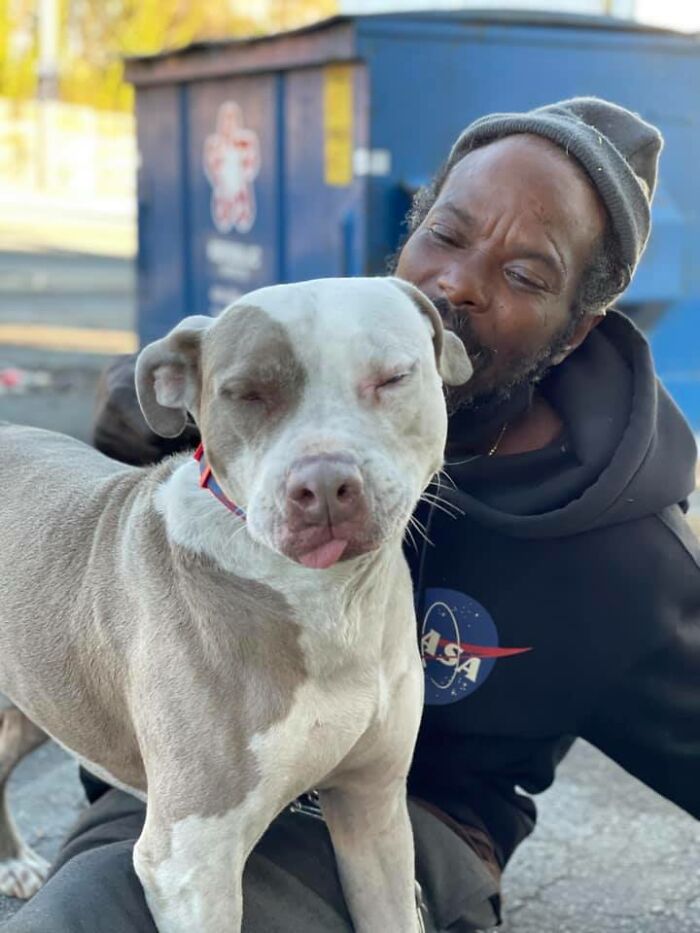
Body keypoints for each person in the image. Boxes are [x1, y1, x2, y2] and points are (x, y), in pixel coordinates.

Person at [5, 97, 699, 933]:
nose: (458, 283)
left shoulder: (627, 557)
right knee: (86, 909)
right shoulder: (240, 395)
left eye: (525, 274)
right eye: (446, 234)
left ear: (579, 325)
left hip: (427, 815)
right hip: (175, 785)